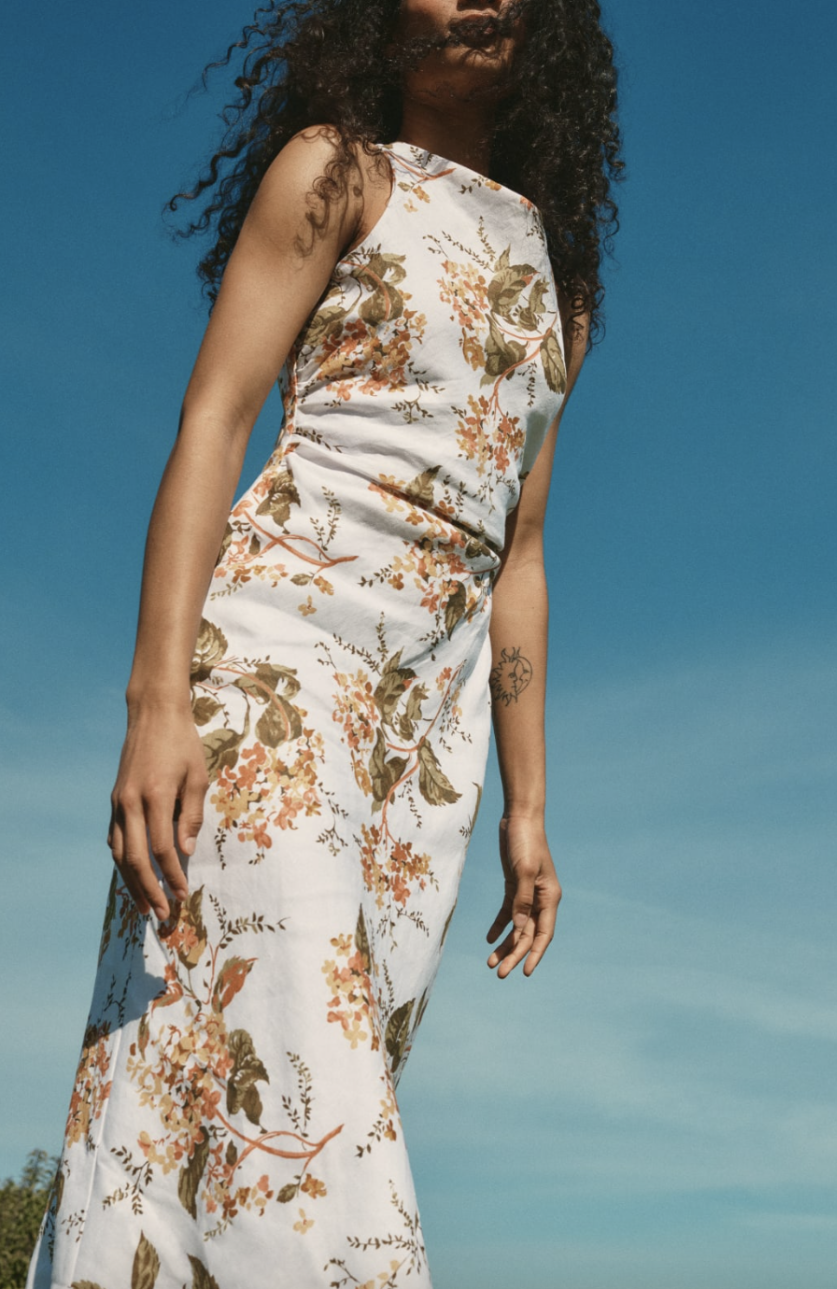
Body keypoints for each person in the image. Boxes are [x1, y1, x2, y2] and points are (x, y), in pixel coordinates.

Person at [29, 1, 622, 1283]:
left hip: (428, 742)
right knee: (312, 1084)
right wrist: (157, 700)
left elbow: (517, 554)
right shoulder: (337, 171)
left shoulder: (554, 276)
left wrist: (530, 807)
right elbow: (216, 417)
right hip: (274, 668)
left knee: (249, 1072)